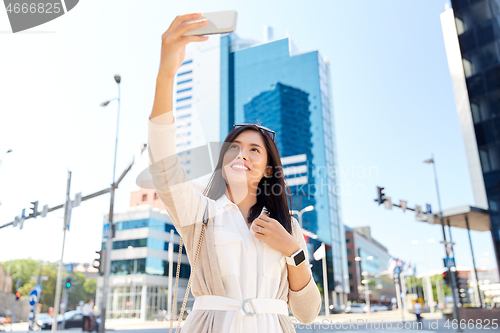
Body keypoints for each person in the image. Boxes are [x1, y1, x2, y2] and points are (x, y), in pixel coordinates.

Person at [147, 12, 322, 333]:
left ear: (268, 168)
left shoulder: (288, 226)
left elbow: (307, 313)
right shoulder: (199, 212)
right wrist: (166, 75)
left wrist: (292, 251)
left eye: (254, 149)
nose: (242, 153)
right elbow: (162, 164)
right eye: (234, 147)